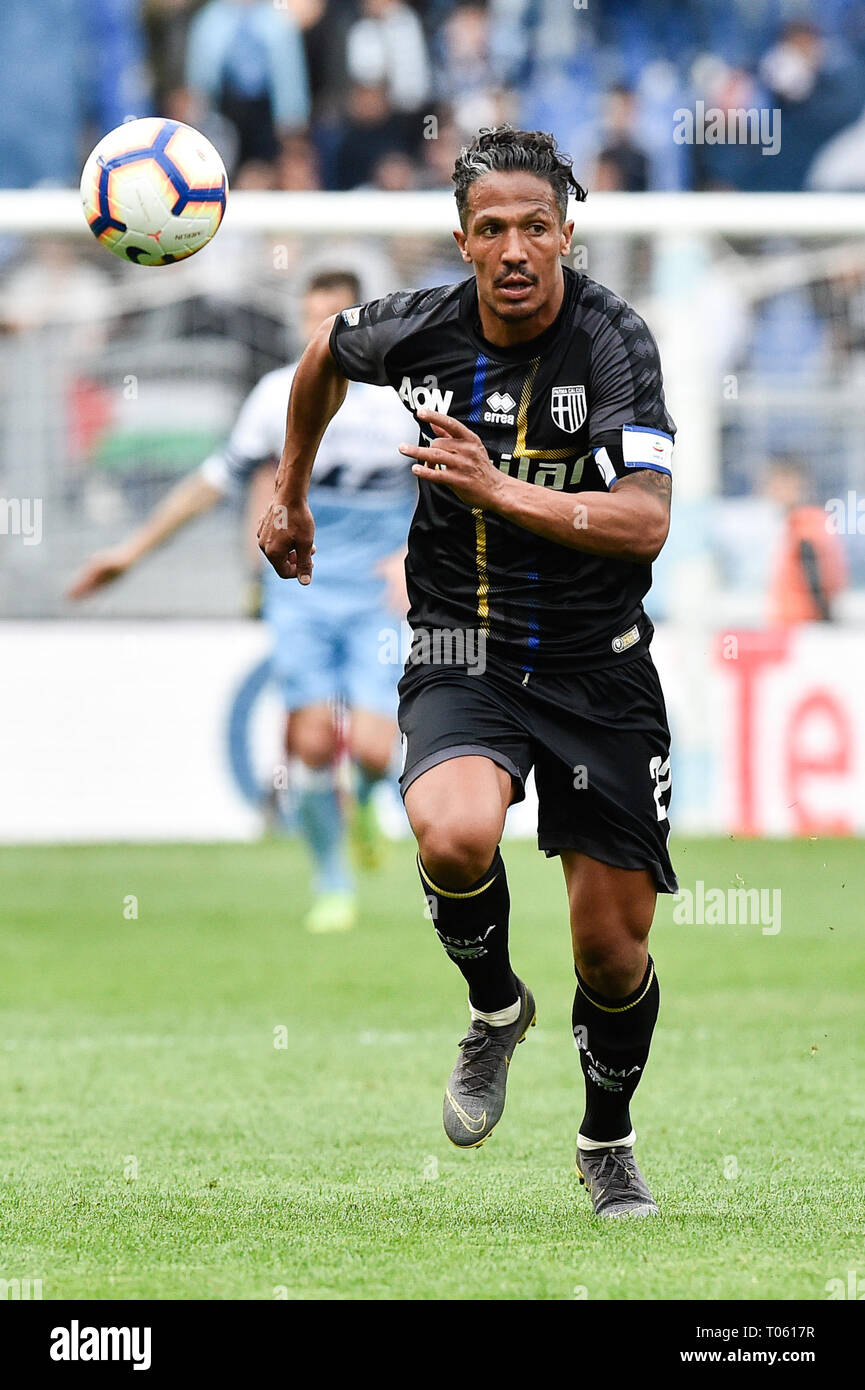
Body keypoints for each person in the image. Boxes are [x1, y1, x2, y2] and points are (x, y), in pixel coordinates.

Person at [258, 125, 677, 1219]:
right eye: (490, 229)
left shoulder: (616, 344)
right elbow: (320, 359)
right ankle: (495, 1011)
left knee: (611, 951)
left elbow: (644, 523)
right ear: (462, 241)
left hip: (601, 669)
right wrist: (289, 491)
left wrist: (503, 494)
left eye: (535, 226)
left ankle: (605, 1137)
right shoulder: (420, 329)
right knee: (449, 831)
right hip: (463, 646)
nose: (514, 248)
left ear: (566, 233)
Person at [68, 270, 415, 934]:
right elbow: (212, 482)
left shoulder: (399, 398)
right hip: (301, 586)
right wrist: (128, 553)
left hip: (377, 590)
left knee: (374, 750)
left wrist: (412, 556)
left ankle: (367, 804)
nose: (326, 337)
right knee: (312, 742)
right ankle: (332, 880)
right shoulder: (276, 395)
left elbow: (448, 483)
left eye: (338, 322)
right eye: (315, 321)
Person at [764, 456, 847, 625]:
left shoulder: (804, 524)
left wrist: (824, 618)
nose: (771, 491)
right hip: (800, 622)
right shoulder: (810, 520)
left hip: (801, 623)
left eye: (777, 484)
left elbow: (813, 572)